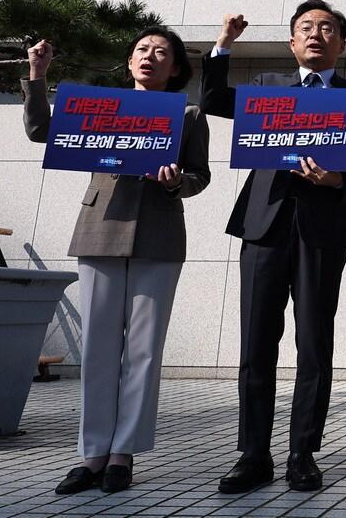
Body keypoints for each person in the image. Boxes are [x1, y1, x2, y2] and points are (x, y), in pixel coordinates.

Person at [201, 0, 346, 494]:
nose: (316, 35)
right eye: (306, 28)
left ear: (341, 44)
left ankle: (303, 452)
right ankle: (253, 454)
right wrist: (224, 44)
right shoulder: (266, 88)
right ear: (292, 43)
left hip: (321, 231)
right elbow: (214, 98)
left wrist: (337, 178)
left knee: (314, 345)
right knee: (256, 345)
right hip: (263, 226)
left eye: (327, 29)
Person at [23, 28, 210, 496]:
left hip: (159, 234)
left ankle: (123, 454)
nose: (150, 57)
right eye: (142, 50)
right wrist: (38, 75)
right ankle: (91, 455)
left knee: (143, 351)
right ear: (129, 63)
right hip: (100, 227)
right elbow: (40, 131)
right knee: (100, 348)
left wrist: (175, 182)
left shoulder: (189, 115)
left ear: (176, 69)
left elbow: (199, 176)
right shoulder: (99, 107)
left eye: (161, 53)